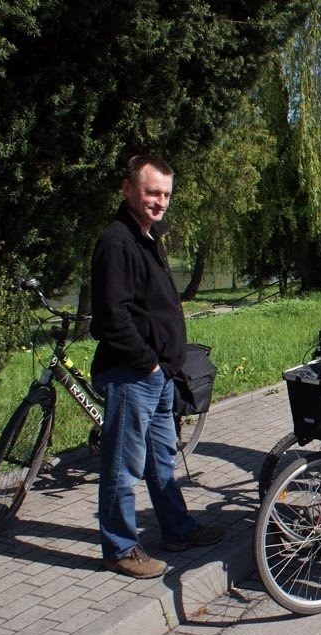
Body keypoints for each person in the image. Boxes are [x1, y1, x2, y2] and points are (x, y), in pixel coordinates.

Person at [90, 155, 224, 579]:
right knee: (122, 465)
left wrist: (163, 365)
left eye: (165, 194)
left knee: (161, 459)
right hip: (133, 375)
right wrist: (147, 362)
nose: (159, 201)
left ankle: (178, 530)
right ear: (127, 189)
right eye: (151, 192)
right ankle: (120, 547)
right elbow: (112, 317)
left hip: (160, 375)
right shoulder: (117, 241)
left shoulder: (148, 237)